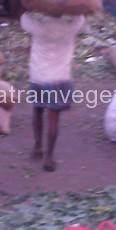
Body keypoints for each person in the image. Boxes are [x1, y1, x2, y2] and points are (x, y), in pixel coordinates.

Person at [21, 10, 85, 171]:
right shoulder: (70, 27)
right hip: (59, 78)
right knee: (53, 118)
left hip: (38, 75)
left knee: (37, 111)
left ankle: (37, 147)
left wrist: (30, 6)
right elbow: (81, 17)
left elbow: (23, 17)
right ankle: (49, 156)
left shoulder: (37, 27)